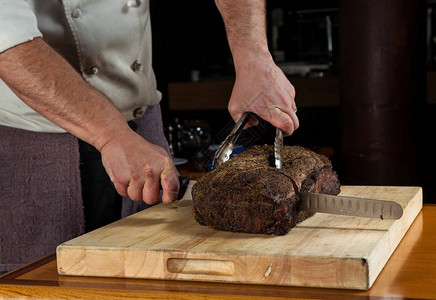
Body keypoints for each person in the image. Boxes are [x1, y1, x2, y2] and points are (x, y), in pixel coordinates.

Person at [0, 0, 298, 273]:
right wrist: (110, 134)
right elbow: (8, 39)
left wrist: (253, 56)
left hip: (143, 128)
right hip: (35, 142)